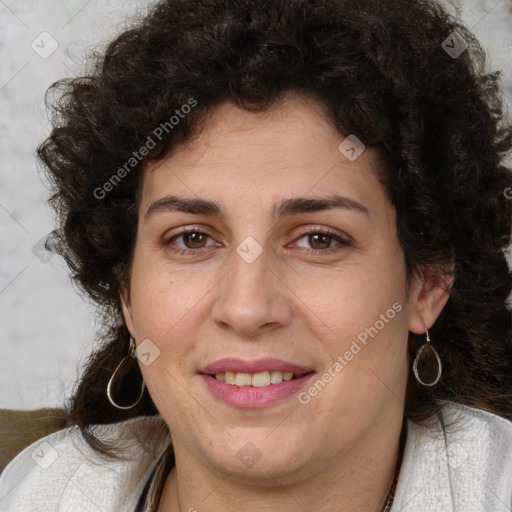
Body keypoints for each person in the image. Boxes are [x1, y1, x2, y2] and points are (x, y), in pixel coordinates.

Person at [1, 0, 512, 510]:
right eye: (192, 239)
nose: (246, 309)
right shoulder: (34, 489)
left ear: (427, 282)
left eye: (318, 239)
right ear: (127, 291)